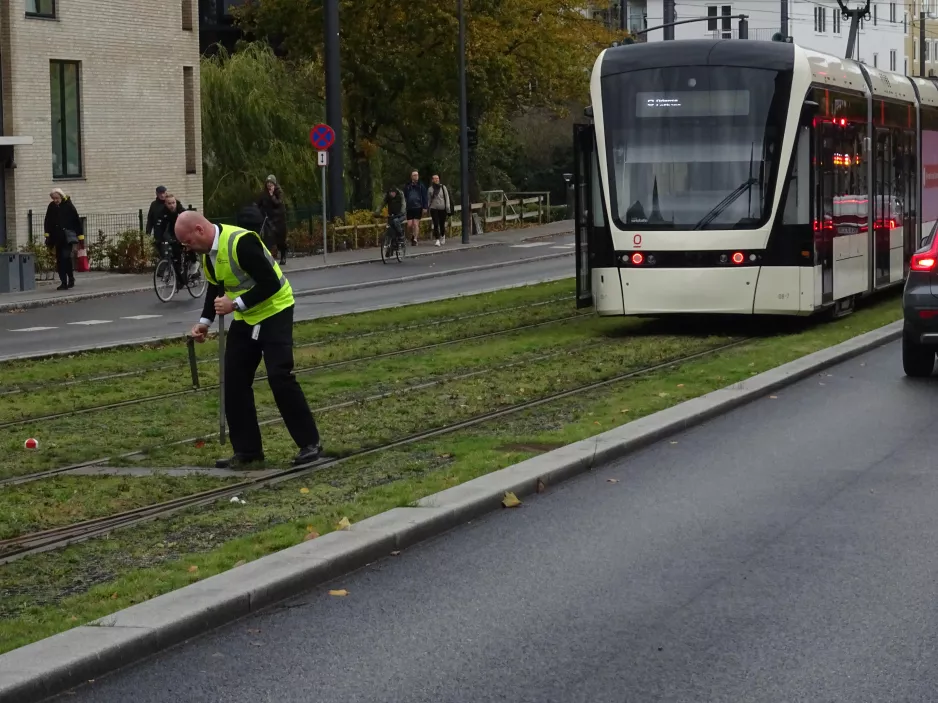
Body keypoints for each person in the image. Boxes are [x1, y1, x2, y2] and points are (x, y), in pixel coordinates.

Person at [176, 208, 323, 469]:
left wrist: (236, 304)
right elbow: (216, 288)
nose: (187, 248)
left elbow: (271, 283)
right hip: (247, 318)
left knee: (280, 376)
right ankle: (247, 450)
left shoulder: (242, 242)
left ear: (200, 230)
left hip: (275, 309)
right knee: (233, 379)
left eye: (188, 241)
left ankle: (310, 443)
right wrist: (204, 322)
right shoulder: (208, 255)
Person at [43, 188, 83, 290]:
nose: (55, 200)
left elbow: (77, 221)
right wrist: (47, 236)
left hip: (67, 238)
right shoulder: (51, 207)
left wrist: (80, 237)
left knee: (65, 258)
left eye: (57, 198)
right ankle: (63, 282)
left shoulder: (69, 206)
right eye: (53, 198)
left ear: (61, 196)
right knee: (60, 260)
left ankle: (71, 278)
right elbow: (47, 221)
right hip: (56, 238)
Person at [257, 175, 288, 266]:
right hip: (268, 220)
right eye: (268, 183)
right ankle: (267, 259)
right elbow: (260, 204)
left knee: (281, 241)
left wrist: (272, 196)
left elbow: (279, 204)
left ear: (274, 183)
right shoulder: (264, 194)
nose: (269, 185)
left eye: (271, 183)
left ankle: (283, 256)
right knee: (268, 240)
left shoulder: (279, 193)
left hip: (279, 221)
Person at [403, 170, 428, 247]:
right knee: (409, 225)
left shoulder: (421, 186)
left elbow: (425, 197)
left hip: (418, 207)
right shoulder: (407, 186)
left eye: (417, 175)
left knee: (415, 223)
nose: (416, 176)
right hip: (409, 207)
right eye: (414, 175)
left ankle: (415, 239)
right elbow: (404, 196)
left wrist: (425, 207)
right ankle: (412, 236)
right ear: (411, 177)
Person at [427, 174, 452, 247]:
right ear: (432, 180)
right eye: (435, 179)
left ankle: (443, 235)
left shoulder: (443, 187)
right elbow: (428, 199)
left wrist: (447, 207)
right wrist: (428, 207)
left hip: (442, 208)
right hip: (434, 208)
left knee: (442, 224)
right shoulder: (430, 189)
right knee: (435, 223)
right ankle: (437, 239)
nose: (436, 180)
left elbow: (447, 197)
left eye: (437, 178)